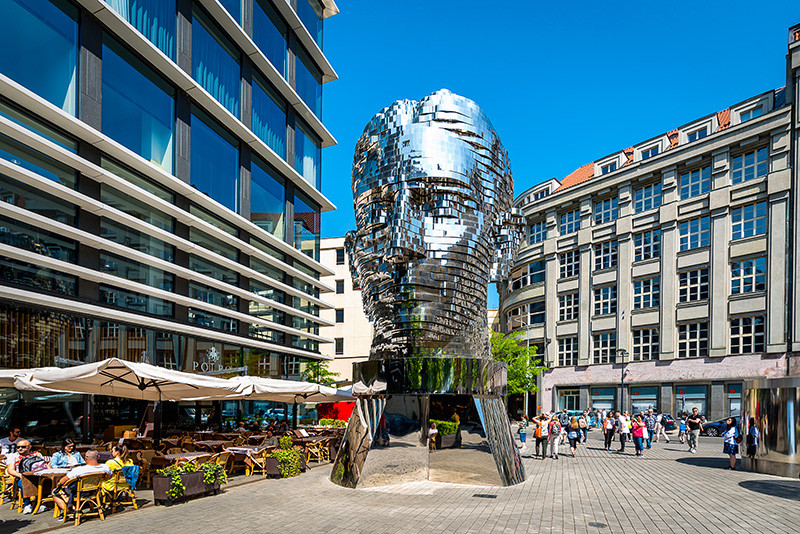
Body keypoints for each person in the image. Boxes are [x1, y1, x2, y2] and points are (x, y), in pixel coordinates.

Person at [53, 450, 111, 516]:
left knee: (55, 492)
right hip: (95, 491)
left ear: (86, 458)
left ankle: (70, 510)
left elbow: (62, 481)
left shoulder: (79, 470)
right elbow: (109, 477)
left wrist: (59, 484)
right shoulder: (105, 467)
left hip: (80, 492)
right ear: (98, 457)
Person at [5, 440, 44, 514]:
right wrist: (21, 476)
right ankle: (27, 504)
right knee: (24, 483)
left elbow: (44, 465)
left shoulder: (37, 454)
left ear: (29, 447)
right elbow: (10, 470)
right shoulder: (13, 456)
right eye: (18, 447)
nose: (20, 448)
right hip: (21, 477)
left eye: (23, 447)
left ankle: (41, 502)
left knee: (48, 481)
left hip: (38, 476)